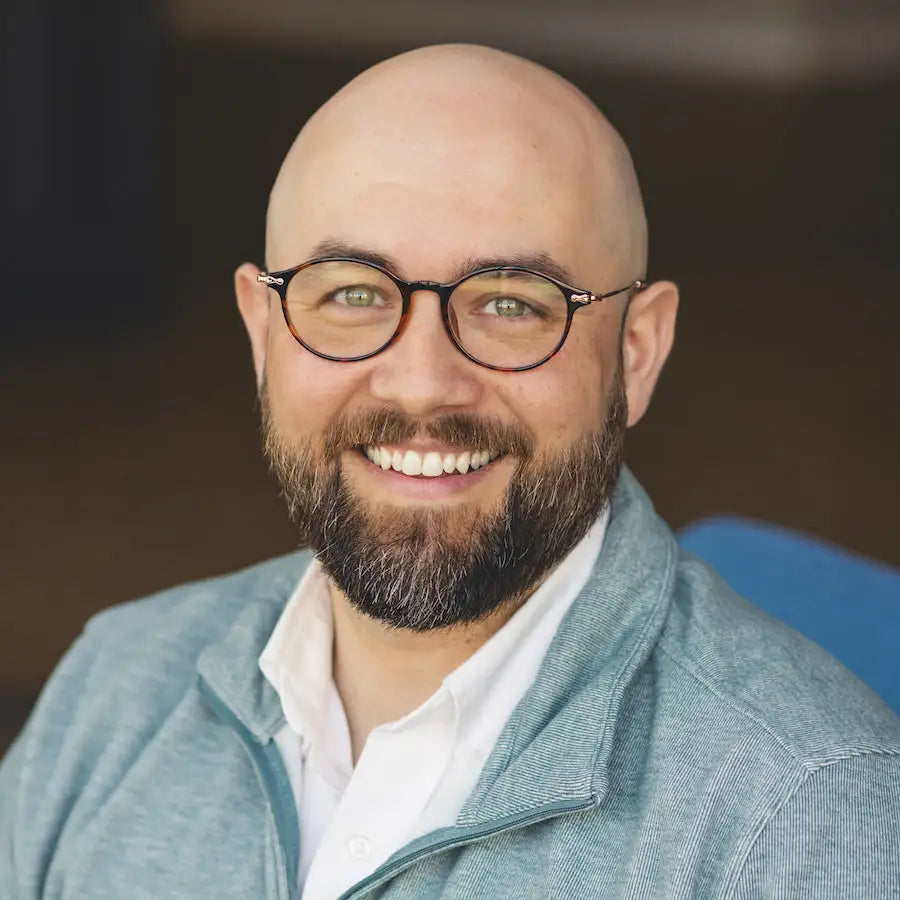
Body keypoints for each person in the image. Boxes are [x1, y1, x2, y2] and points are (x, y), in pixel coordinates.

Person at [1, 43, 898, 900]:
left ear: (637, 352)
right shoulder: (113, 688)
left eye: (510, 303)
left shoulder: (805, 818)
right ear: (262, 332)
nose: (423, 382)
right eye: (351, 292)